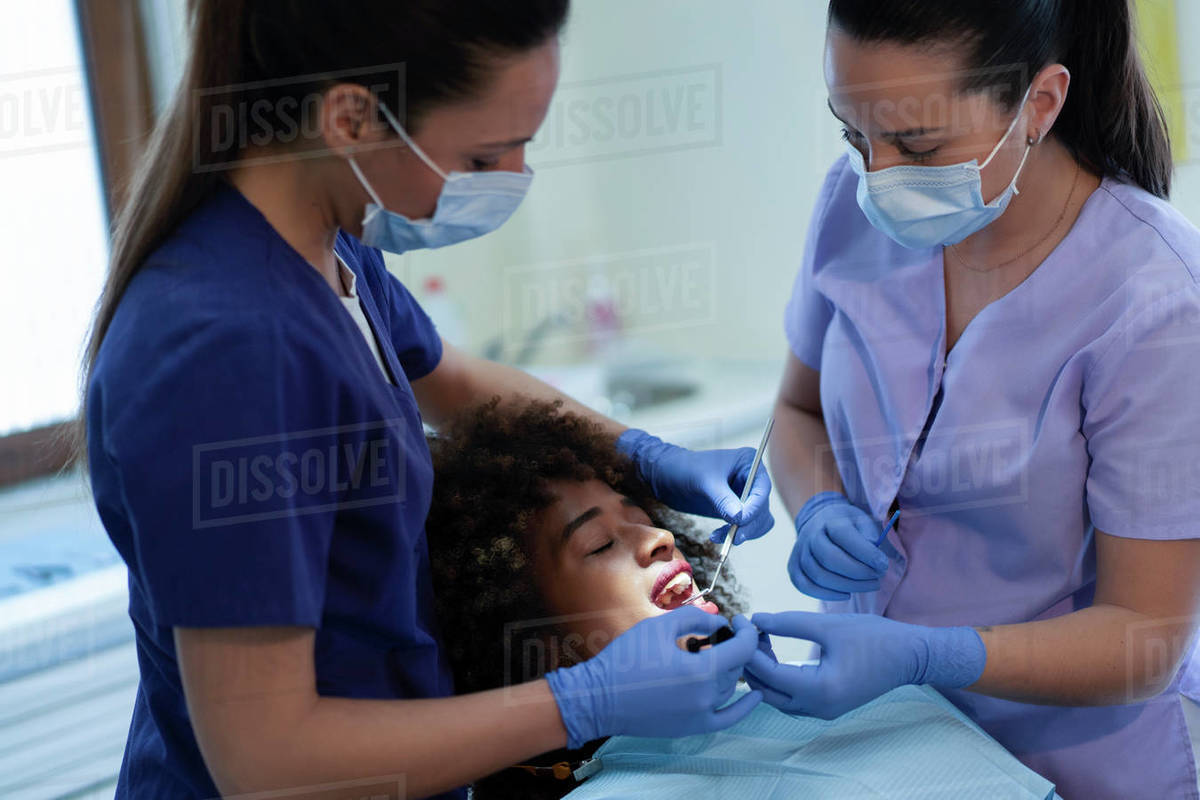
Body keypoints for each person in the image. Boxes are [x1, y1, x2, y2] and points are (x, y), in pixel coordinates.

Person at [79, 2, 773, 798]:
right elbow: (266, 761)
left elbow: (456, 383)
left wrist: (641, 455)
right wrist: (584, 700)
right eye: (482, 158)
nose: (513, 178)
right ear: (350, 117)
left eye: (525, 144)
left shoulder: (330, 247)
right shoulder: (223, 352)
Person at [753, 0, 1200, 797]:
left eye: (919, 144)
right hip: (881, 745)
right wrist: (816, 505)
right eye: (855, 135)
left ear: (1040, 102)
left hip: (1074, 763)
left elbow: (1147, 638)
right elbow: (796, 413)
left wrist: (935, 653)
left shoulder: (1156, 302)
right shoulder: (849, 209)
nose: (878, 179)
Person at [425, 399, 1061, 800]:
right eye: (597, 545)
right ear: (538, 645)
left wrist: (926, 663)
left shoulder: (867, 699)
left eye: (640, 513)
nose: (658, 536)